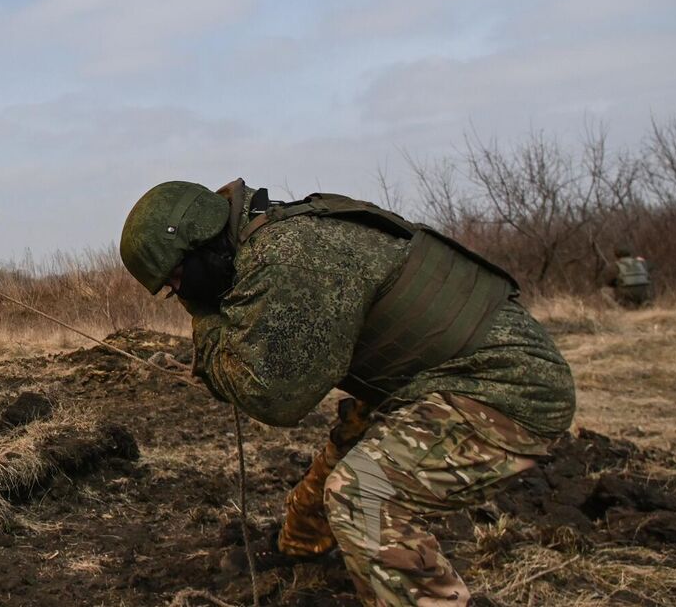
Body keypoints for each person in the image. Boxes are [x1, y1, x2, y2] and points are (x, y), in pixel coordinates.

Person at [120, 180, 576, 607]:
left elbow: (272, 395)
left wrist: (206, 318)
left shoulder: (289, 254)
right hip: (434, 380)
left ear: (201, 241)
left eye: (178, 277)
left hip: (505, 387)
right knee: (345, 453)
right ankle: (302, 550)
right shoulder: (266, 244)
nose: (179, 292)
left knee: (361, 495)